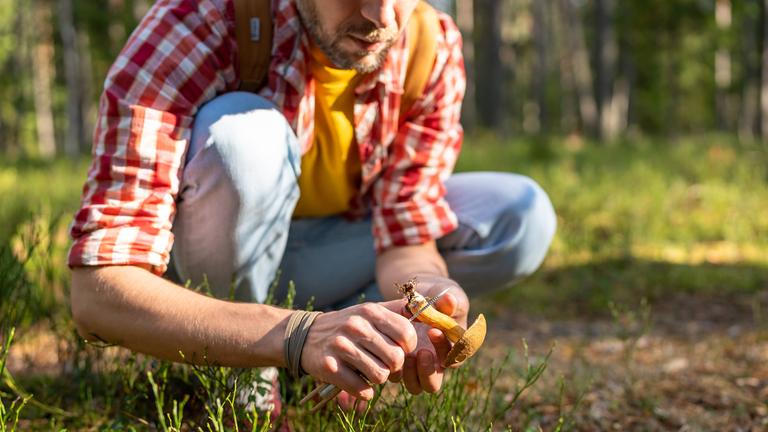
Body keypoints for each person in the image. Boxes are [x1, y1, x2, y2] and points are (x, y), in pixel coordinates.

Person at [68, 0, 556, 409]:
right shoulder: (201, 21)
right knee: (243, 138)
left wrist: (425, 295)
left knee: (518, 214)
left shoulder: (428, 43)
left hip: (318, 257)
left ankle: (340, 351)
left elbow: (406, 236)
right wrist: (297, 333)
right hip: (202, 269)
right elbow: (98, 293)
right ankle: (245, 377)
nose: (380, 17)